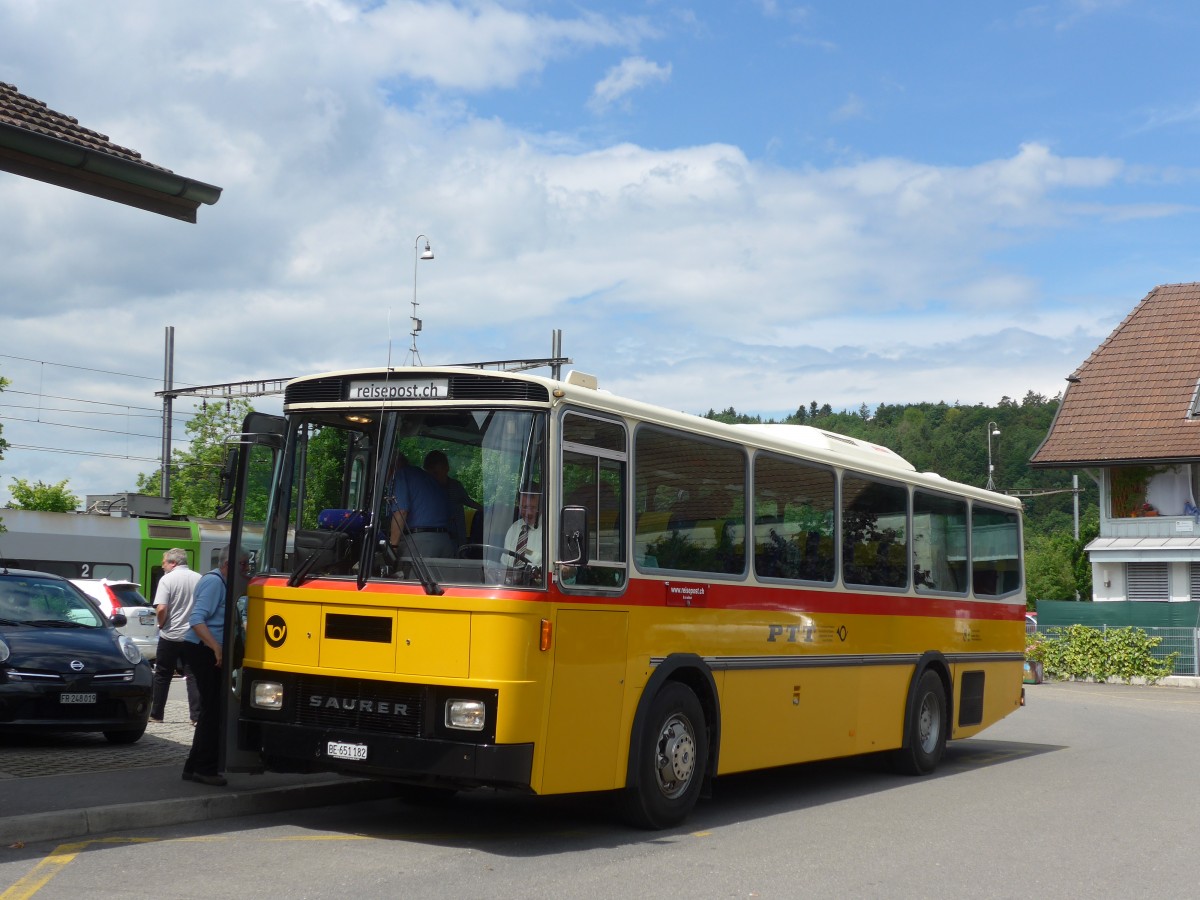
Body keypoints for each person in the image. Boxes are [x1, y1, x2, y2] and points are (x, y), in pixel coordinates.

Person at [181, 546, 242, 787]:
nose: (247, 570)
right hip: (203, 649)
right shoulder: (215, 582)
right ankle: (205, 768)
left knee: (211, 709)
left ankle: (194, 766)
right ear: (228, 564)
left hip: (206, 649)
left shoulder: (222, 582)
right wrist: (216, 647)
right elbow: (196, 619)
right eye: (244, 565)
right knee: (213, 710)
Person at [150, 548, 201, 725]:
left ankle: (157, 714)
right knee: (193, 675)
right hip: (193, 635)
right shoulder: (199, 578)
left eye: (164, 562)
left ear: (173, 563)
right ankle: (196, 716)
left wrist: (161, 624)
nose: (162, 566)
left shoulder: (167, 579)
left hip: (170, 635)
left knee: (162, 675)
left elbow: (162, 608)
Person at [387, 452, 455, 558]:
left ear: (389, 468)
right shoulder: (427, 477)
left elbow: (401, 512)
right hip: (445, 541)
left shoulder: (400, 476)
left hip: (421, 544)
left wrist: (393, 548)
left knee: (410, 575)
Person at [423, 449, 481, 550]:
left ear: (446, 469)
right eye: (430, 474)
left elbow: (469, 502)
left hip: (458, 538)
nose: (434, 478)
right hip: (435, 538)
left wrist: (487, 511)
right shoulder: (425, 490)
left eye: (436, 473)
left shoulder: (455, 486)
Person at [503, 487, 543, 568]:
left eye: (533, 507)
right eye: (524, 507)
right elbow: (504, 562)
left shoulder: (550, 531)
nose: (528, 513)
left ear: (541, 506)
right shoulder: (514, 528)